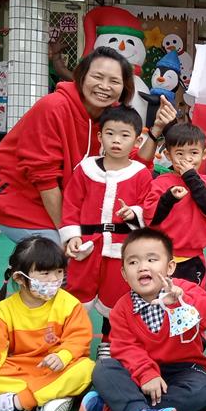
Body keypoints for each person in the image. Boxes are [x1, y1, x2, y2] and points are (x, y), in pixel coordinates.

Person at [0, 46, 175, 245]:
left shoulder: (112, 115)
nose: (104, 86)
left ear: (124, 87)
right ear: (81, 77)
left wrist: (156, 129)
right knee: (62, 257)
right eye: (97, 77)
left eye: (114, 81)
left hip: (64, 199)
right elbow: (44, 179)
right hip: (17, 198)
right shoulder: (53, 107)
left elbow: (132, 164)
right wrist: (68, 234)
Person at [81, 228, 206, 411]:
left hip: (183, 370)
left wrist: (183, 300)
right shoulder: (121, 309)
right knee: (104, 368)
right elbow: (126, 348)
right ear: (124, 274)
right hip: (139, 372)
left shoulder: (184, 290)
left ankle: (120, 406)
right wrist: (147, 374)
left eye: (152, 259)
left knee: (202, 392)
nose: (143, 267)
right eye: (133, 262)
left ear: (170, 267)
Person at [0, 237, 95, 411]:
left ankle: (16, 403)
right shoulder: (4, 311)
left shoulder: (69, 304)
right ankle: (49, 398)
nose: (54, 279)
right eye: (45, 273)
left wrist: (63, 356)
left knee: (86, 369)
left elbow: (79, 338)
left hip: (57, 369)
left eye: (59, 271)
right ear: (19, 278)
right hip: (20, 371)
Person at [59, 105, 152, 357]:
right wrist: (72, 235)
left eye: (124, 135)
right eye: (110, 134)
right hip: (87, 246)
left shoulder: (141, 174)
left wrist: (135, 213)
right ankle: (71, 342)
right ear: (100, 136)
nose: (116, 141)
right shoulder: (86, 169)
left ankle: (110, 343)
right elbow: (71, 203)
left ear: (137, 140)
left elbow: (149, 207)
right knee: (76, 294)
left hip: (121, 248)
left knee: (117, 296)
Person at [144, 121, 206, 286]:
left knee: (193, 299)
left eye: (194, 152)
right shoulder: (159, 183)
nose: (187, 159)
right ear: (168, 155)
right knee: (159, 298)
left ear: (204, 154)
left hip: (192, 259)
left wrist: (190, 176)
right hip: (161, 257)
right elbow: (152, 219)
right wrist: (169, 198)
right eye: (179, 153)